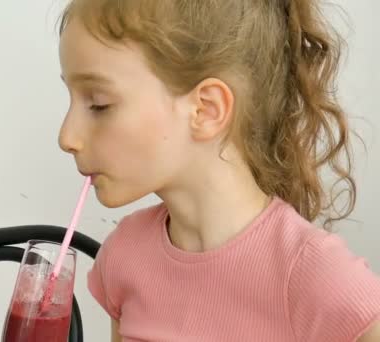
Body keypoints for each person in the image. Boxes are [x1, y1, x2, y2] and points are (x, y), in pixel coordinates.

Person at [56, 0, 380, 341]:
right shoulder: (124, 255)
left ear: (206, 110)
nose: (66, 137)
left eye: (98, 104)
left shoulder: (313, 275)